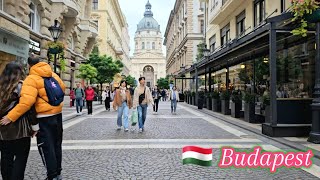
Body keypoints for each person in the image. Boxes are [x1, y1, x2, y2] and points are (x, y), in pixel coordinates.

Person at [1, 57, 66, 180]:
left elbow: (27, 102)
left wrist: (10, 117)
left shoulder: (31, 79)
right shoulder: (53, 74)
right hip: (57, 115)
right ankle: (57, 172)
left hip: (43, 117)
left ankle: (52, 175)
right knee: (56, 144)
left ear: (30, 65)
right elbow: (62, 89)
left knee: (47, 147)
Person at [0, 62, 38, 180]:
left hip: (3, 130)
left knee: (6, 157)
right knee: (21, 158)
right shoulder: (23, 86)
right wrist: (34, 126)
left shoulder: (1, 86)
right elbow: (30, 108)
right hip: (21, 130)